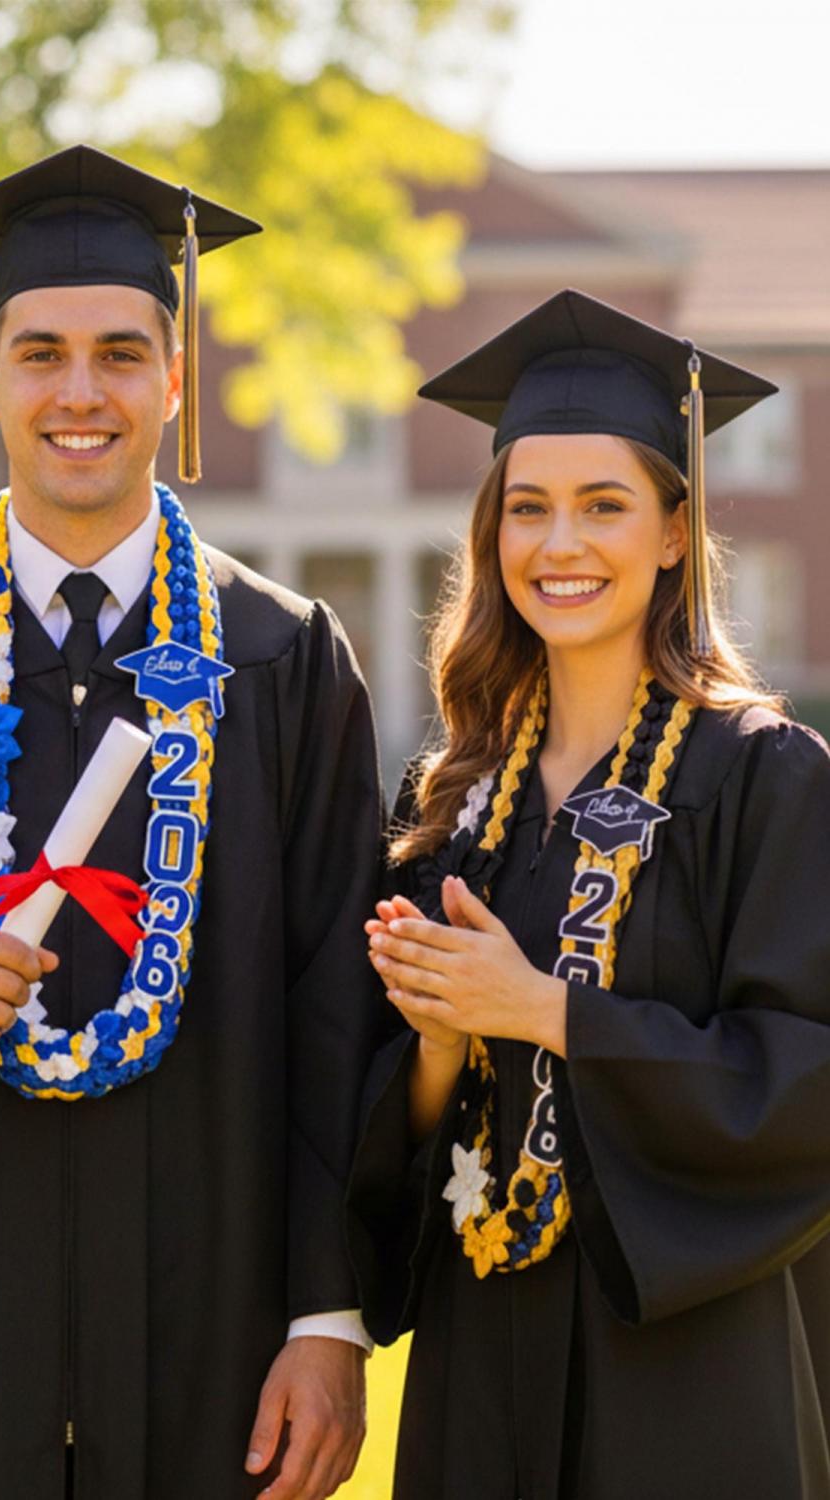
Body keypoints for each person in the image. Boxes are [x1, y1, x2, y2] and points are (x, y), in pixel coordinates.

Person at [0, 145, 384, 1500]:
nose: (81, 393)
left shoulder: (281, 660)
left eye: (121, 354)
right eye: (41, 354)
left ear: (176, 376)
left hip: (215, 1329)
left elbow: (338, 1003)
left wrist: (327, 1317)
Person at [347, 288, 830, 1498]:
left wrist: (547, 1012)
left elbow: (807, 1081)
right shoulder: (455, 800)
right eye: (529, 508)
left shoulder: (763, 778)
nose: (559, 544)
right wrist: (442, 1042)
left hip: (686, 1367)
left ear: (674, 533)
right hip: (480, 1346)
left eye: (604, 505)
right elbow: (387, 1128)